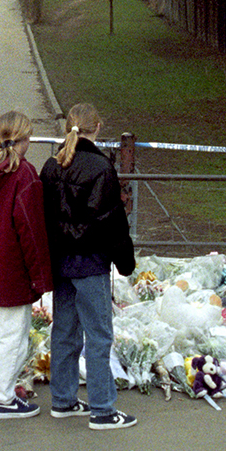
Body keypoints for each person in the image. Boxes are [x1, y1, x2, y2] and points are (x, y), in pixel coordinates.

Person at [39, 103, 138, 430]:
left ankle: (63, 399)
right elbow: (112, 221)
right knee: (98, 336)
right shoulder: (100, 167)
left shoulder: (52, 166)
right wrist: (126, 262)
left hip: (61, 261)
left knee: (64, 332)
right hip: (91, 262)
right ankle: (103, 409)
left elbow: (43, 217)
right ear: (97, 127)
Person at [0, 110, 53, 419]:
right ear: (25, 138)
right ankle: (2, 398)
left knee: (1, 335)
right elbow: (31, 230)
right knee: (13, 337)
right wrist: (40, 276)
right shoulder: (24, 174)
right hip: (13, 267)